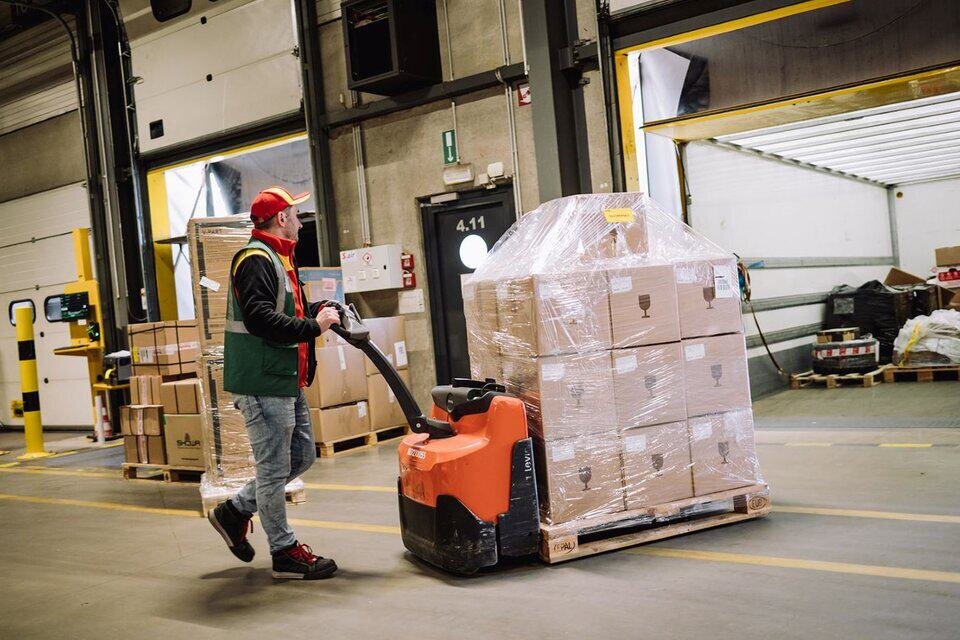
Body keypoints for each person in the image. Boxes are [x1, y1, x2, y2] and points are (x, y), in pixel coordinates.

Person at [207, 186, 341, 580]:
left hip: (284, 379)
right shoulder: (256, 259)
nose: (300, 222)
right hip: (262, 381)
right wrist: (313, 327)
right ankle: (284, 552)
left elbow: (286, 309)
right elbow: (260, 318)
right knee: (272, 468)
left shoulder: (279, 258)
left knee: (301, 457)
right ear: (281, 218)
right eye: (295, 215)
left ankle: (233, 511)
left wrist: (317, 310)